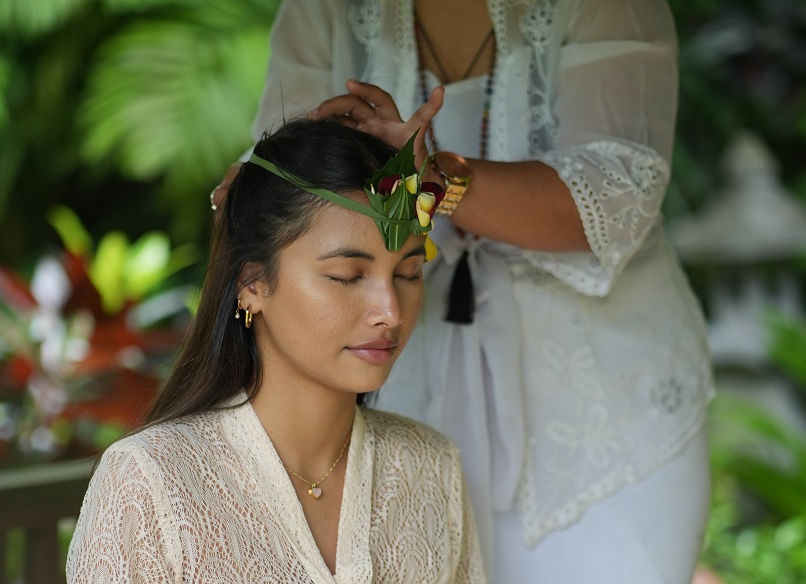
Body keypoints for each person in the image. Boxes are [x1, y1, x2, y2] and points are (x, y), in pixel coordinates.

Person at [210, 0, 716, 582]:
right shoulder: (323, 9)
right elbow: (276, 188)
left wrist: (432, 185)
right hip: (396, 388)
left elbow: (617, 197)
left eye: (399, 272)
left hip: (601, 411)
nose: (381, 301)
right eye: (348, 276)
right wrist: (249, 193)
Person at [66, 119, 486, 583]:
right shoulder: (150, 482)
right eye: (347, 275)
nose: (390, 311)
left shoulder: (430, 467)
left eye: (408, 273)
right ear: (252, 284)